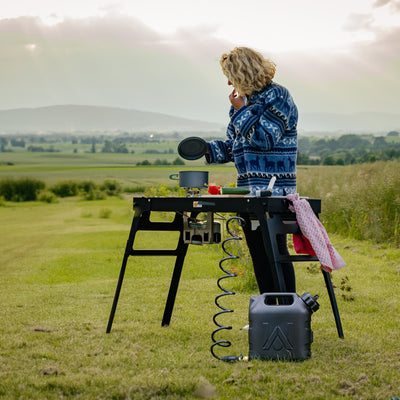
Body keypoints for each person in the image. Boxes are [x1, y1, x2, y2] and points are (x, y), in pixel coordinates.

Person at [205, 46, 298, 294]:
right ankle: (268, 313)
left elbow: (264, 139)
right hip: (247, 192)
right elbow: (234, 145)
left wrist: (241, 111)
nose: (228, 82)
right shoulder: (242, 102)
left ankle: (287, 311)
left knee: (276, 252)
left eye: (231, 76)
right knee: (258, 253)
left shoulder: (278, 97)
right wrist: (207, 150)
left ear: (244, 73)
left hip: (274, 191)